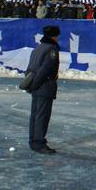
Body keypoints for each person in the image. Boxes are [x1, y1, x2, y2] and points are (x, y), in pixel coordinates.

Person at [26, 25, 61, 154]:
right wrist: (36, 84)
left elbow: (30, 68)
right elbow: (45, 69)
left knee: (35, 115)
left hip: (36, 85)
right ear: (55, 36)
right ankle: (39, 143)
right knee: (42, 115)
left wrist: (31, 85)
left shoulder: (37, 48)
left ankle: (33, 140)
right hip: (44, 86)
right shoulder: (51, 49)